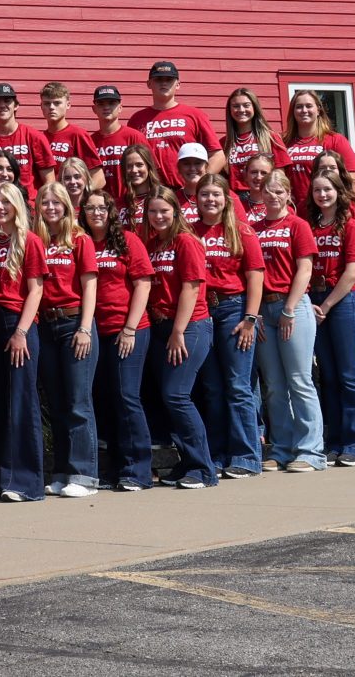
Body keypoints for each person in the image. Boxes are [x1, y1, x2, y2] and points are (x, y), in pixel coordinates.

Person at [193, 173, 267, 480]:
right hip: (202, 311)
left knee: (238, 386)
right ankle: (220, 453)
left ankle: (247, 456)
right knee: (211, 388)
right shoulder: (189, 231)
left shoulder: (241, 231)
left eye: (216, 195)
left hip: (233, 310)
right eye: (205, 194)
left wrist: (250, 318)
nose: (210, 199)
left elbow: (255, 276)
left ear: (227, 200)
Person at [79, 188, 153, 492]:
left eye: (102, 208)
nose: (96, 213)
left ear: (111, 212)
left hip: (128, 330)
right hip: (97, 333)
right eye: (90, 208)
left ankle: (138, 470)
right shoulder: (82, 242)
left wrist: (130, 329)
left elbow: (143, 285)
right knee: (103, 400)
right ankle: (112, 468)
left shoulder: (128, 241)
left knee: (127, 397)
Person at [138, 192, 214, 489]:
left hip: (190, 326)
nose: (158, 216)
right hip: (162, 327)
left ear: (176, 211)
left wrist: (178, 331)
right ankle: (188, 462)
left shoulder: (186, 241)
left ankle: (203, 468)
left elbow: (191, 288)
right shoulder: (155, 244)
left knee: (177, 395)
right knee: (174, 398)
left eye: (164, 211)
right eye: (153, 212)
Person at [0, 182, 47, 503]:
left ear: (17, 205)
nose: (0, 207)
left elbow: (35, 290)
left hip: (17, 324)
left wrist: (21, 331)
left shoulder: (29, 241)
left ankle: (26, 482)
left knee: (22, 402)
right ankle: (2, 477)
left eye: (6, 201)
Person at [32, 181, 100, 497]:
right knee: (57, 404)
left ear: (66, 206)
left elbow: (89, 286)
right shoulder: (37, 241)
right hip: (47, 327)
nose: (50, 208)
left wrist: (85, 328)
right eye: (45, 203)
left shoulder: (79, 240)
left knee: (78, 402)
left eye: (56, 203)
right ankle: (62, 470)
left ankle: (84, 475)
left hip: (74, 324)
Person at [253, 168, 324, 472]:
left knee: (300, 380)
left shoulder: (298, 225)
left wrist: (289, 309)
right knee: (274, 386)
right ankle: (281, 448)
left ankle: (312, 451)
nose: (272, 195)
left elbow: (304, 270)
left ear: (288, 195)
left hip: (291, 307)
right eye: (268, 190)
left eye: (279, 190)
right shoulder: (253, 227)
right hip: (263, 310)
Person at [304, 171, 355, 465]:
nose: (323, 195)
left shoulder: (350, 226)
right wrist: (312, 304)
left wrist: (328, 305)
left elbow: (353, 272)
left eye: (328, 190)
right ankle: (335, 442)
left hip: (342, 300)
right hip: (315, 300)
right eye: (317, 190)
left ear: (338, 191)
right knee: (328, 375)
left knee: (349, 373)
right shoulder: (311, 226)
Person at [132, 62, 219, 181]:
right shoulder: (137, 119)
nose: (164, 83)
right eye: (158, 79)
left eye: (169, 79)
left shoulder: (195, 115)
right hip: (152, 193)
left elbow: (217, 155)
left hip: (186, 191)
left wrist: (200, 184)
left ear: (178, 84)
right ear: (149, 84)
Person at [279, 90, 355, 200]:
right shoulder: (283, 142)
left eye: (309, 106)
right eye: (299, 107)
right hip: (292, 209)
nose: (304, 110)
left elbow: (351, 183)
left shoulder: (335, 140)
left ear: (318, 110)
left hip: (324, 207)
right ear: (293, 112)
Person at [0, 84, 54, 191]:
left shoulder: (34, 137)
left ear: (16, 105)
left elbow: (49, 181)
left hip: (27, 204)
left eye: (7, 101)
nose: (2, 105)